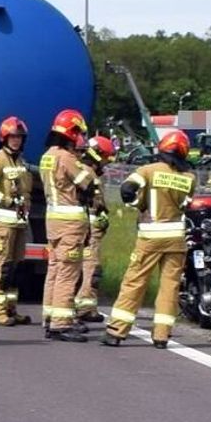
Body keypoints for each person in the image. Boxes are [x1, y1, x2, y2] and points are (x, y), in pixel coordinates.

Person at [102, 130, 195, 348]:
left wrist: (136, 204)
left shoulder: (148, 170)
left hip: (151, 235)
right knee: (170, 286)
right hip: (176, 237)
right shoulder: (189, 178)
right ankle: (162, 335)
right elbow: (186, 205)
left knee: (135, 281)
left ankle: (116, 330)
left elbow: (127, 188)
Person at [40, 109, 95, 342]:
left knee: (54, 269)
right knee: (67, 272)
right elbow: (87, 184)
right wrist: (90, 166)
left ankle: (50, 317)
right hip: (70, 222)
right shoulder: (66, 158)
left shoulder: (47, 155)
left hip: (53, 220)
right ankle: (61, 324)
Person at [0, 116, 33, 326]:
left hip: (19, 223)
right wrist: (8, 201)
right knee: (1, 266)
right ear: (4, 138)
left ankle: (11, 309)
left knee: (15, 268)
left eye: (19, 137)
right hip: (3, 223)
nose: (16, 140)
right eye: (12, 137)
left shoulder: (20, 160)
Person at [76, 135, 116, 323]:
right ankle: (83, 307)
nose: (106, 164)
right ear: (98, 155)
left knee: (91, 267)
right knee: (91, 268)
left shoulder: (89, 172)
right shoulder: (85, 172)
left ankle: (88, 306)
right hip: (89, 229)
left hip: (93, 229)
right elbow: (86, 198)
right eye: (106, 158)